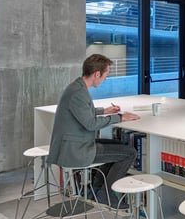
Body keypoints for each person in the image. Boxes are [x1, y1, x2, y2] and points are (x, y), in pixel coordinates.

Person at [48, 54, 140, 207]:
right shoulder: (78, 93)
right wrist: (120, 117)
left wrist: (105, 110)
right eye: (105, 75)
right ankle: (106, 194)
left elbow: (83, 111)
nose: (105, 79)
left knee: (119, 145)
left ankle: (96, 189)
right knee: (130, 153)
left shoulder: (76, 87)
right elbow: (90, 124)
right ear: (97, 74)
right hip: (75, 149)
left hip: (77, 142)